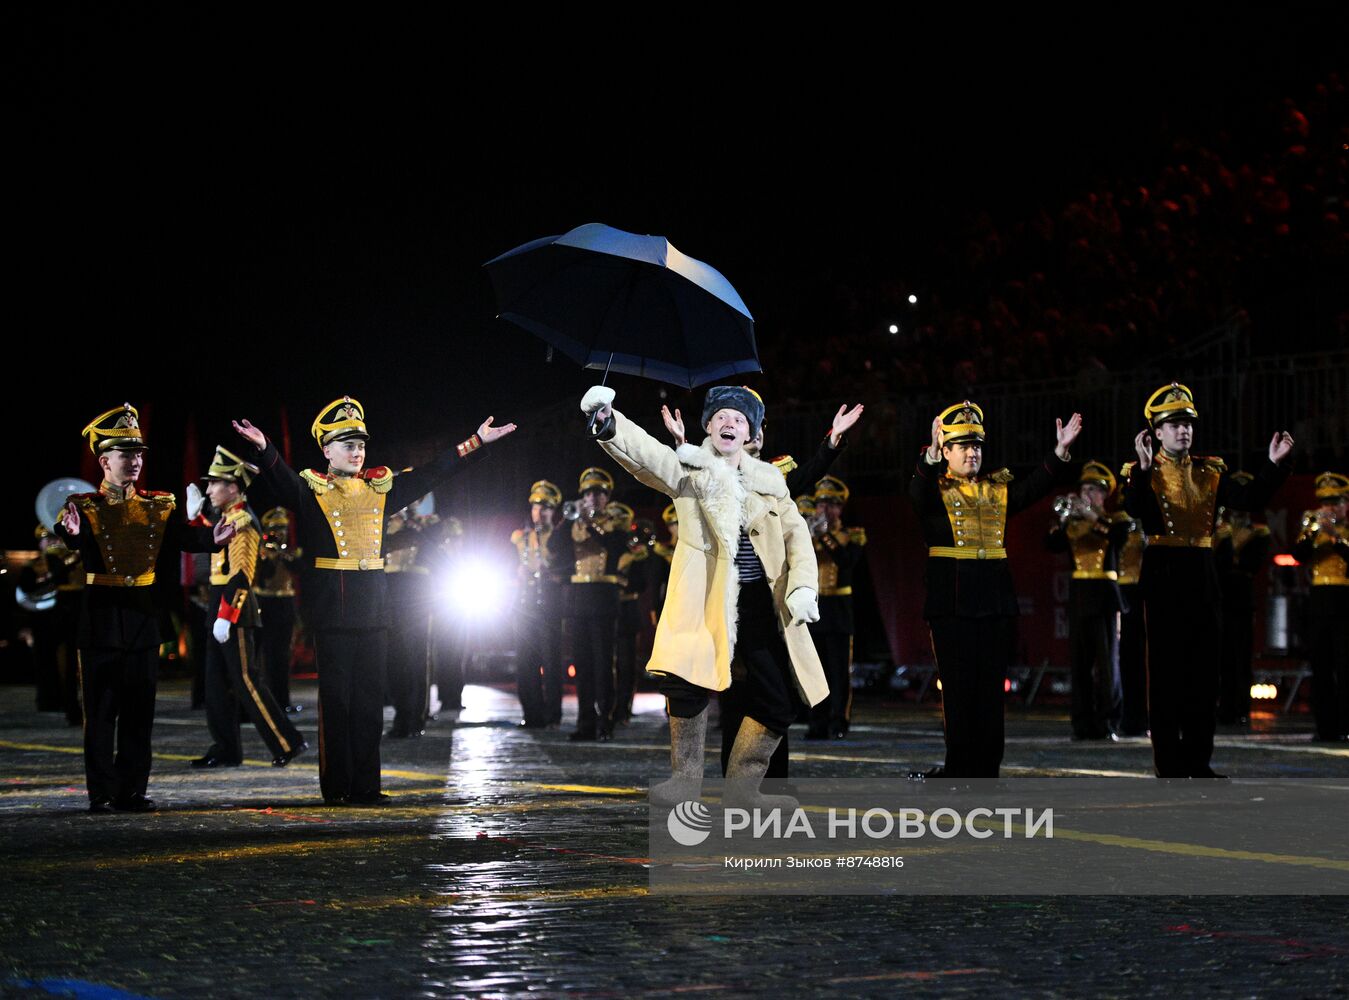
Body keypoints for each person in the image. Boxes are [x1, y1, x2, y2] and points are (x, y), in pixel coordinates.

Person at [232, 396, 514, 805]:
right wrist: (264, 447)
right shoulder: (312, 489)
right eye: (346, 444)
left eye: (360, 443)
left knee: (368, 704)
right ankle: (338, 786)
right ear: (326, 450)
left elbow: (432, 474)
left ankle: (366, 784)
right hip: (333, 611)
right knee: (337, 703)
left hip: (373, 609)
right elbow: (283, 479)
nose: (357, 450)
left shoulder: (380, 487)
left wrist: (477, 441)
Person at [583, 384, 827, 809]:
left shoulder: (773, 484)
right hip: (703, 598)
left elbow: (798, 537)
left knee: (778, 699)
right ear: (709, 428)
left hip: (759, 605)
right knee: (685, 685)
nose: (728, 423)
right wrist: (608, 421)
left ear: (751, 434)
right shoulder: (689, 472)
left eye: (738, 419)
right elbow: (646, 454)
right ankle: (685, 781)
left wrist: (805, 585)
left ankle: (744, 789)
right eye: (720, 417)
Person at [56, 404, 232, 812]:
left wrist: (212, 539)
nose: (135, 461)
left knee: (139, 713)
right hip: (101, 617)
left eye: (138, 454)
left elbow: (181, 540)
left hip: (141, 618)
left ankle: (131, 789)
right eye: (125, 454)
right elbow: (70, 536)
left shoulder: (158, 504)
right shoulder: (85, 506)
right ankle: (101, 793)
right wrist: (70, 536)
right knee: (100, 716)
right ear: (104, 461)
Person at [1123, 382, 1292, 778]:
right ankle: (1168, 762)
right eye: (1174, 424)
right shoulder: (1140, 472)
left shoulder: (1211, 471)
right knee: (1165, 676)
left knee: (1203, 675)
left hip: (1201, 571)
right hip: (1163, 571)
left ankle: (1198, 760)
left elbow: (1249, 499)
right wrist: (1145, 470)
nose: (1183, 430)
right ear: (1156, 431)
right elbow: (1138, 510)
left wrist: (1274, 465)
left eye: (1187, 424)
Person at [909, 400, 1082, 779]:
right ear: (948, 451)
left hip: (993, 601)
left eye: (977, 446)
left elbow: (1033, 488)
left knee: (989, 689)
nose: (973, 452)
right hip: (951, 604)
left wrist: (1059, 452)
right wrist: (931, 456)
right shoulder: (933, 488)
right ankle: (960, 765)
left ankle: (987, 765)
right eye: (964, 446)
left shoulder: (996, 488)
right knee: (957, 689)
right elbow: (916, 496)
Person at [191, 445, 307, 769]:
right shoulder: (226, 517)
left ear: (234, 487)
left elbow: (241, 575)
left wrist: (226, 616)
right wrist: (194, 517)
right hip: (218, 602)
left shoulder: (242, 521)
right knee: (215, 682)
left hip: (234, 608)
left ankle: (288, 741)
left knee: (246, 680)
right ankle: (226, 748)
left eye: (215, 483)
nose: (209, 489)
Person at [1045, 461, 1127, 741]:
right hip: (1080, 594)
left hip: (1104, 594)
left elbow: (1118, 537)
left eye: (1093, 490)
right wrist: (1064, 519)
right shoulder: (1073, 524)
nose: (1086, 494)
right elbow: (1051, 544)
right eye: (1084, 489)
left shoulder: (1114, 519)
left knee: (1107, 665)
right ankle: (1082, 723)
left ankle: (1108, 722)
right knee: (1079, 664)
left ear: (1105, 494)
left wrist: (1091, 515)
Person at [548, 467, 629, 741]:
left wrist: (592, 524)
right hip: (578, 598)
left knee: (604, 664)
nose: (592, 498)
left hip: (604, 597)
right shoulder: (575, 522)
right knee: (582, 665)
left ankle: (605, 722)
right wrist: (569, 520)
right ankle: (585, 724)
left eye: (598, 493)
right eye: (588, 493)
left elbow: (618, 546)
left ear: (607, 497)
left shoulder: (615, 520)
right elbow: (553, 545)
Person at [804, 475, 866, 740]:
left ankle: (839, 720)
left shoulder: (851, 535)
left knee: (839, 671)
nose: (825, 510)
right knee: (814, 670)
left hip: (839, 608)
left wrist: (825, 536)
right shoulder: (808, 534)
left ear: (841, 508)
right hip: (815, 608)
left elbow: (846, 561)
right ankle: (817, 721)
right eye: (821, 505)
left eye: (832, 505)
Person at [1293, 472, 1349, 742]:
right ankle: (1325, 726)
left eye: (1336, 501)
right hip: (1319, 600)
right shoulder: (1313, 528)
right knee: (1321, 665)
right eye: (1325, 502)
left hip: (1345, 600)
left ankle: (1345, 724)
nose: (1329, 508)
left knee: (1345, 664)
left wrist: (1336, 537)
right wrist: (1312, 533)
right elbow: (1298, 556)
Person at [1213, 476, 1273, 726]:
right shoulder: (1218, 531)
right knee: (1222, 657)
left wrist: (1229, 544)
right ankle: (1224, 707)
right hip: (1221, 597)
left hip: (1242, 598)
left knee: (1241, 655)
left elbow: (1251, 564)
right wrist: (1224, 539)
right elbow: (1218, 565)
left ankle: (1241, 708)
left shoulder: (1259, 532)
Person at [383, 497, 440, 738]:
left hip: (416, 593)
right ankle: (401, 714)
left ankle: (416, 716)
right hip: (391, 591)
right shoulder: (386, 524)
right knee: (395, 658)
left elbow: (438, 555)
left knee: (416, 658)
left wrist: (417, 526)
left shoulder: (429, 525)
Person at [510, 480, 565, 728]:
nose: (539, 512)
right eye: (535, 507)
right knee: (525, 663)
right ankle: (531, 714)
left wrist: (552, 571)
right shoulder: (520, 537)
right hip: (524, 604)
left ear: (553, 511)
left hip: (550, 604)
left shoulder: (560, 536)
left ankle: (552, 715)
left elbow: (567, 568)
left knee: (551, 663)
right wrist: (516, 572)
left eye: (545, 508)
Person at [254, 507, 302, 714]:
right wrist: (268, 555)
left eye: (283, 527)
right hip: (264, 603)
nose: (279, 531)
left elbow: (300, 571)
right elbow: (264, 577)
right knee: (263, 655)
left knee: (282, 655)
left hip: (285, 604)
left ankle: (283, 700)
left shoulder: (291, 551)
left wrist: (283, 555)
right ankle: (264, 700)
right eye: (275, 527)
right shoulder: (259, 551)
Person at [1113, 479, 1149, 738]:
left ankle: (1142, 715)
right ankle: (1126, 716)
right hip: (1121, 590)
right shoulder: (1116, 520)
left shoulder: (1151, 520)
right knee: (1123, 658)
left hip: (1143, 591)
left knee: (1142, 658)